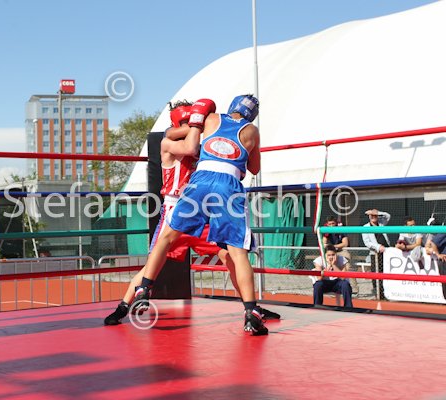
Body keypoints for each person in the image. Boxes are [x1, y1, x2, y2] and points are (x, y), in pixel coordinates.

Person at [104, 100, 280, 325]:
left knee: (229, 255)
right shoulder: (171, 142)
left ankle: (251, 307)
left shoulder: (205, 133)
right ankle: (125, 305)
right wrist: (196, 122)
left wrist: (200, 123)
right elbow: (187, 146)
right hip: (176, 206)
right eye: (187, 119)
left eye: (192, 118)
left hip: (204, 208)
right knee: (154, 261)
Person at [361, 209, 390, 299]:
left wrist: (377, 212)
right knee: (376, 273)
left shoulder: (381, 223)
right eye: (372, 215)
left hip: (386, 252)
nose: (374, 217)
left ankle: (387, 293)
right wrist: (378, 247)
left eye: (375, 215)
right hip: (375, 253)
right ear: (369, 217)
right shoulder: (365, 227)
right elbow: (367, 242)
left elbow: (388, 216)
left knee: (387, 272)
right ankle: (378, 294)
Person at [322, 216, 356, 293]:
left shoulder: (341, 229)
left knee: (348, 267)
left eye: (333, 223)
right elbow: (324, 243)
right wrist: (326, 236)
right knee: (325, 265)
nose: (331, 226)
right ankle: (327, 286)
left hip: (341, 250)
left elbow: (345, 243)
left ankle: (354, 288)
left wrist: (334, 246)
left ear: (336, 223)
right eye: (329, 224)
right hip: (331, 251)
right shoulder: (326, 230)